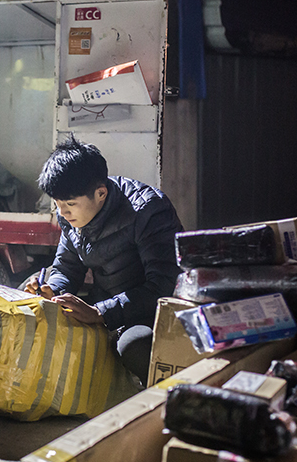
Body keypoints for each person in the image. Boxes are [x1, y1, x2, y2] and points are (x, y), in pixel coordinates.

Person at [24, 136, 183, 386]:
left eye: (70, 205)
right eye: (57, 204)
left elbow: (163, 286)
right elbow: (67, 266)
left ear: (101, 193)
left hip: (148, 312)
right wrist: (52, 289)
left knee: (134, 346)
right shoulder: (71, 215)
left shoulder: (149, 211)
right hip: (104, 304)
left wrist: (100, 312)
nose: (62, 213)